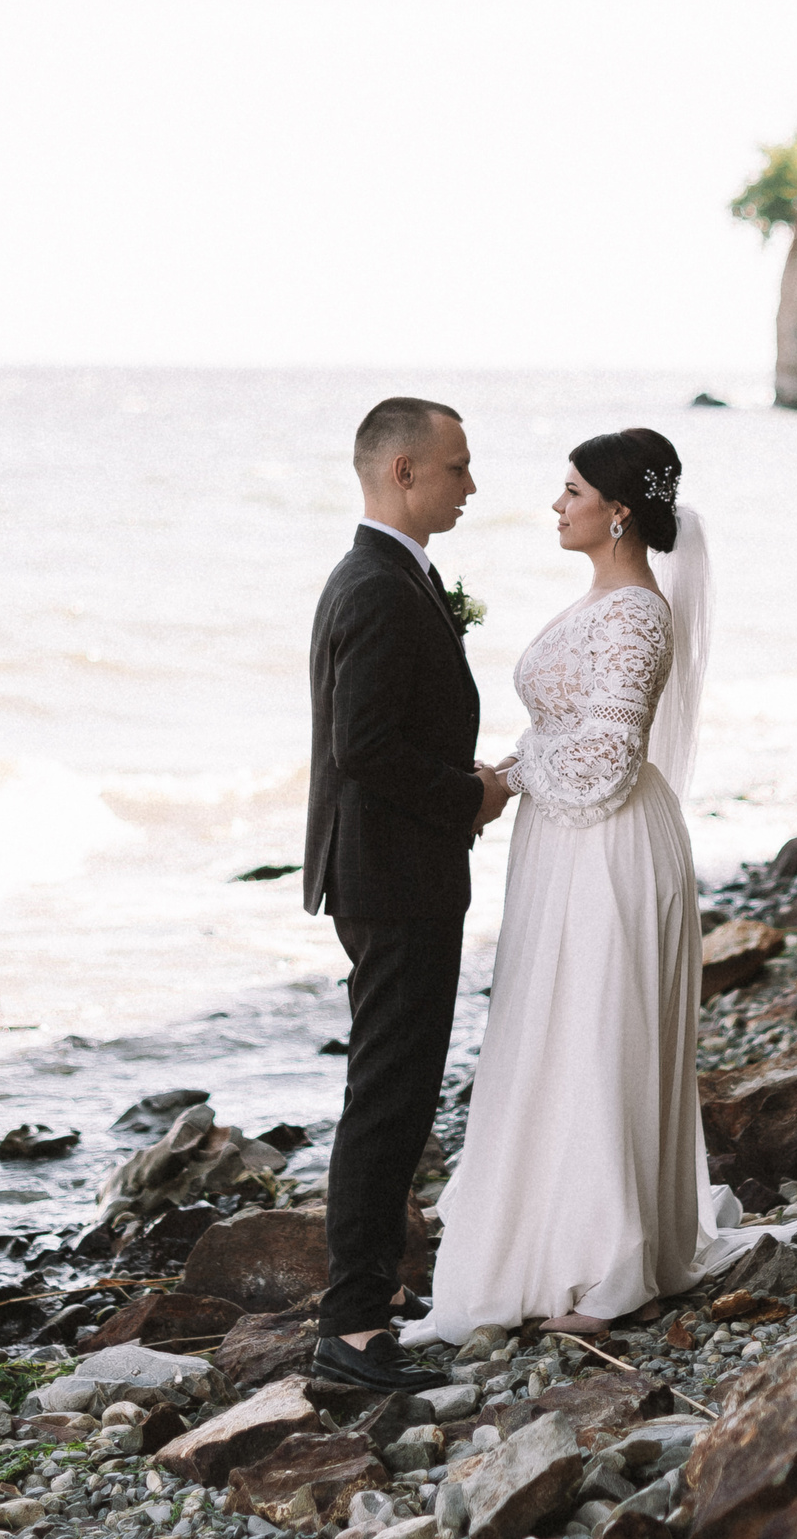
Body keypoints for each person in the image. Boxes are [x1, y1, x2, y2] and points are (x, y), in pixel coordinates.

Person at [410, 427, 797, 1344]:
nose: (556, 505)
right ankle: (549, 1236)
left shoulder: (639, 614)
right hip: (564, 845)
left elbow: (608, 760)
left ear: (617, 511)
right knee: (557, 1026)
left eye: (571, 490)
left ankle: (617, 1265)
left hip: (610, 846)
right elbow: (575, 737)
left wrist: (513, 773)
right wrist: (512, 772)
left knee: (599, 1027)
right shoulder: (599, 603)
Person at [303, 396, 513, 1393]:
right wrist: (467, 794)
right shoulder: (379, 586)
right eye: (458, 467)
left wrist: (453, 773)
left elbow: (388, 730)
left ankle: (362, 1312)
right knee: (386, 1100)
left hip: (395, 869)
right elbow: (365, 746)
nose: (470, 485)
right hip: (394, 877)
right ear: (402, 473)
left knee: (395, 1093)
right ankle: (349, 1332)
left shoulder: (391, 577)